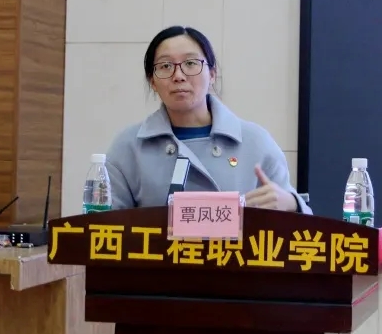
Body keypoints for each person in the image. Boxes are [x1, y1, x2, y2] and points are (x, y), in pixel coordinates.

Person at [106, 26, 312, 213]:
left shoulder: (255, 142)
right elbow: (103, 227)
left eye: (190, 63)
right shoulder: (129, 147)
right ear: (152, 81)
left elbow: (303, 230)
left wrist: (292, 204)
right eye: (166, 66)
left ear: (212, 74)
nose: (178, 75)